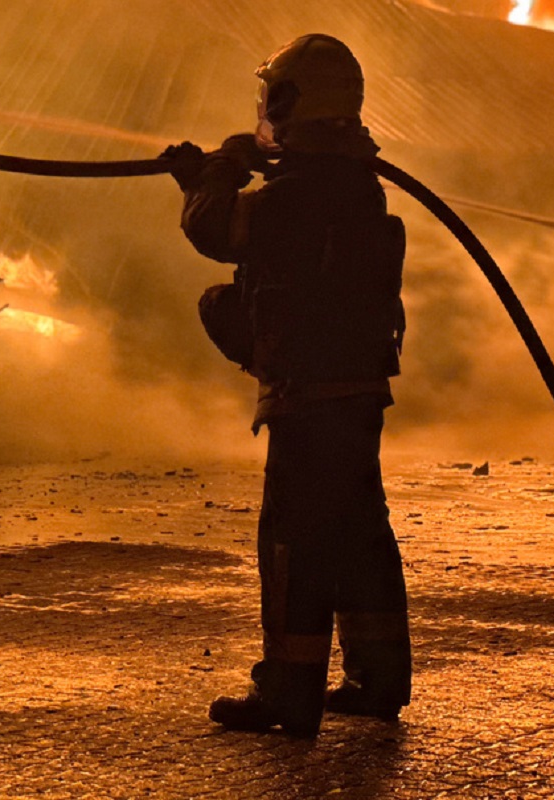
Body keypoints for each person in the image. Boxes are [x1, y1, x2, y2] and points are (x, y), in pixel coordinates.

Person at [164, 34, 412, 736]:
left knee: (293, 540)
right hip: (357, 388)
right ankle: (377, 677)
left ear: (289, 101)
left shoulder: (297, 192)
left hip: (308, 393)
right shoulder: (352, 183)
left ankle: (287, 691)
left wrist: (219, 169)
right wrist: (210, 175)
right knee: (359, 530)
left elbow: (216, 230)